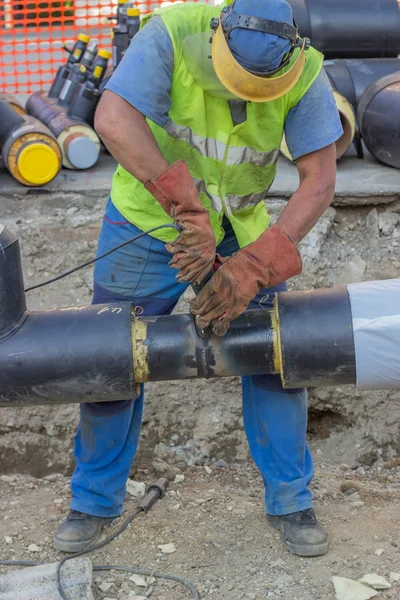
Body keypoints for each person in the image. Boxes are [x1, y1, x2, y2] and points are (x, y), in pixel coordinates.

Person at [53, 0, 343, 557]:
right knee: (109, 353)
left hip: (240, 227)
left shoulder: (304, 70)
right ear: (219, 34)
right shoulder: (171, 32)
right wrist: (185, 211)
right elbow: (114, 119)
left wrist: (257, 264)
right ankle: (92, 501)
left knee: (275, 355)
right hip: (148, 219)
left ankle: (291, 499)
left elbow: (320, 179)